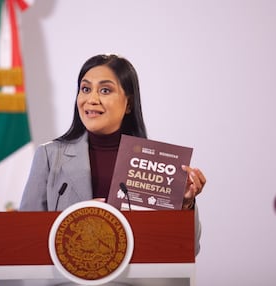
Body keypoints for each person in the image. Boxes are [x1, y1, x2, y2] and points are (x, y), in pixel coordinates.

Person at [19, 53, 206, 253]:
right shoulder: (49, 156)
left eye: (105, 90)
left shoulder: (154, 165)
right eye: (85, 89)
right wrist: (77, 221)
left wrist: (185, 204)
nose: (91, 99)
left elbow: (188, 249)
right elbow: (24, 237)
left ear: (129, 104)